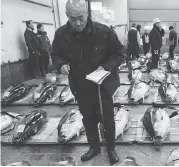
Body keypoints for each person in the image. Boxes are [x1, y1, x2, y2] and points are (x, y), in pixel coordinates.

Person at [51, 0, 123, 164]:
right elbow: (55, 54)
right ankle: (94, 147)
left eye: (81, 18)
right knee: (88, 118)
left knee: (107, 119)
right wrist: (60, 65)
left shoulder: (103, 32)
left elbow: (119, 53)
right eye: (72, 18)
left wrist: (105, 67)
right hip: (80, 85)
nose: (77, 23)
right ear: (66, 16)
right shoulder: (61, 34)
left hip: (102, 85)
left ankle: (110, 148)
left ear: (87, 13)